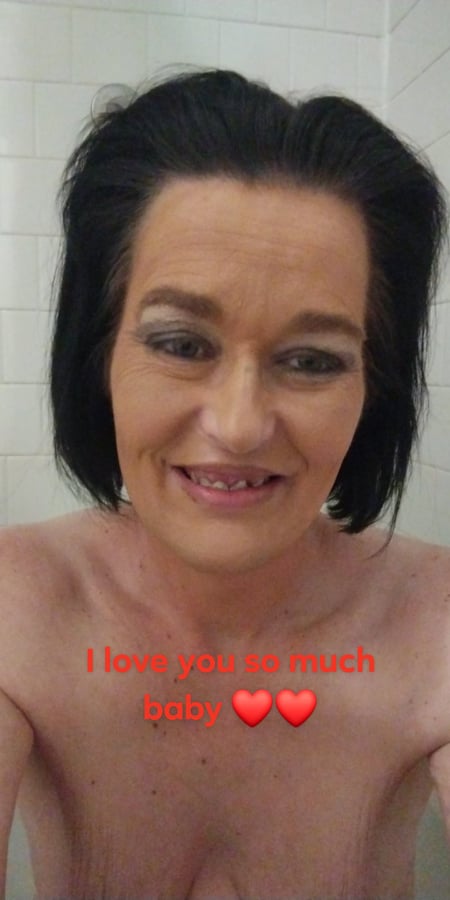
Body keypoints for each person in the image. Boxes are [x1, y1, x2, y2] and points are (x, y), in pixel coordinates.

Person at [1, 65, 449, 900]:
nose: (240, 426)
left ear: (373, 389)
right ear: (98, 355)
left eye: (311, 361)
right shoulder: (16, 606)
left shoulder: (435, 622)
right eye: (180, 344)